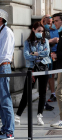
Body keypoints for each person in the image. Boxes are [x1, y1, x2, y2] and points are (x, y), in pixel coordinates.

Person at [15, 22, 51, 126]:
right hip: (32, 69)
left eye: (42, 31)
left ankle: (40, 115)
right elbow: (26, 56)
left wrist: (35, 54)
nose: (41, 33)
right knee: (27, 93)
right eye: (39, 31)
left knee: (42, 93)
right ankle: (18, 116)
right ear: (33, 30)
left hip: (44, 67)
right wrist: (39, 55)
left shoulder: (45, 41)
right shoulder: (28, 42)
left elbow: (47, 53)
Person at [0, 9, 15, 139]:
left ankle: (9, 130)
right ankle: (4, 128)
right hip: (1, 67)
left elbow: (3, 55)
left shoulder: (6, 32)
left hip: (3, 67)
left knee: (5, 99)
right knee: (1, 100)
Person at [41, 14, 59, 103]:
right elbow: (41, 42)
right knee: (45, 76)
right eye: (48, 19)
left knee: (51, 75)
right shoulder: (42, 29)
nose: (50, 21)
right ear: (43, 20)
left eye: (51, 20)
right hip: (43, 57)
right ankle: (43, 99)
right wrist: (52, 41)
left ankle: (53, 93)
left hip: (52, 54)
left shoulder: (52, 29)